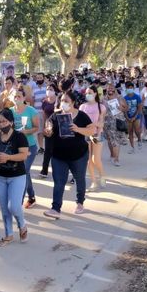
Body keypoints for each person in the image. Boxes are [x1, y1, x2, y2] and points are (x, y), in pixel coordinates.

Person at [43, 91, 94, 219]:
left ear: (73, 102)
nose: (63, 103)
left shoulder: (81, 116)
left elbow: (92, 130)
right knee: (59, 182)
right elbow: (48, 126)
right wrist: (48, 131)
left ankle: (80, 202)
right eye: (62, 101)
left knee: (79, 178)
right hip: (59, 155)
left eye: (66, 101)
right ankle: (55, 208)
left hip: (79, 155)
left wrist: (78, 129)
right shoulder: (56, 115)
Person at [0, 109, 29, 246]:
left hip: (17, 176)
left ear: (11, 122)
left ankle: (22, 225)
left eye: (4, 121)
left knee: (14, 207)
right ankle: (8, 235)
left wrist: (8, 157)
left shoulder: (19, 136)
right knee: (5, 208)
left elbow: (23, 155)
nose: (1, 124)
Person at [11, 88, 40, 208]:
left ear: (24, 98)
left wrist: (25, 131)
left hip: (29, 146)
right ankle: (32, 197)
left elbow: (36, 127)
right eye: (15, 96)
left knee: (23, 172)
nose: (17, 98)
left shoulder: (31, 111)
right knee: (24, 172)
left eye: (19, 96)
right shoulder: (10, 111)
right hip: (16, 147)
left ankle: (19, 202)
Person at [79, 86, 106, 191]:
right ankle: (94, 182)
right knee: (88, 160)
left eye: (90, 92)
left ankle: (102, 175)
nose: (87, 95)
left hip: (96, 134)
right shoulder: (82, 107)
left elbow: (101, 123)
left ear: (95, 93)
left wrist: (97, 133)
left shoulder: (101, 107)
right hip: (85, 135)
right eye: (86, 93)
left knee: (96, 159)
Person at [102, 86, 126, 167]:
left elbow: (126, 108)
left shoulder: (120, 98)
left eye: (112, 88)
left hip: (117, 122)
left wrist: (121, 108)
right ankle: (112, 155)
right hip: (107, 123)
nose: (110, 90)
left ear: (115, 89)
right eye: (109, 88)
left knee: (115, 141)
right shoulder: (103, 99)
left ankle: (116, 159)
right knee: (109, 140)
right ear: (106, 90)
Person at [39, 83, 58, 178]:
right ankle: (44, 170)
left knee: (57, 150)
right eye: (47, 89)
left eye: (51, 89)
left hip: (58, 128)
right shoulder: (45, 102)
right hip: (48, 128)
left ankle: (59, 170)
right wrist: (44, 127)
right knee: (48, 150)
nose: (49, 91)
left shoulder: (58, 100)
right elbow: (44, 115)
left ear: (55, 90)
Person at [123, 82, 143, 153]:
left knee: (137, 130)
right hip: (128, 117)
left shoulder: (137, 97)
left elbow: (139, 107)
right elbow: (124, 109)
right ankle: (132, 147)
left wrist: (135, 116)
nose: (130, 89)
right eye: (128, 88)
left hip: (136, 116)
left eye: (131, 88)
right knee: (130, 132)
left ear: (133, 88)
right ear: (126, 89)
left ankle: (139, 139)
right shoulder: (124, 98)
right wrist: (127, 117)